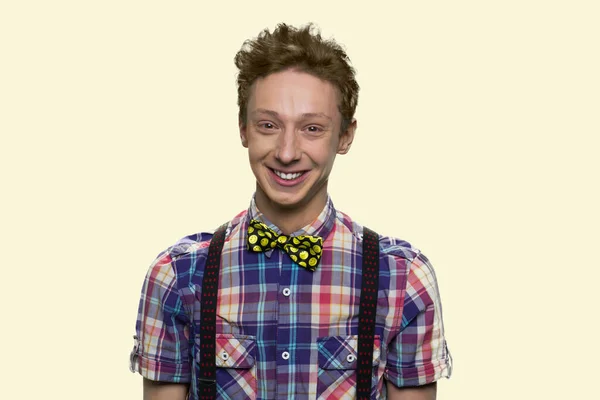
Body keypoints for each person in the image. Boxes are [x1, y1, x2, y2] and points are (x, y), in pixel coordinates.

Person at [130, 23, 452, 400]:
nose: (286, 151)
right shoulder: (178, 276)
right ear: (243, 130)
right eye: (268, 125)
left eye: (312, 128)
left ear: (345, 136)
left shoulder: (402, 280)